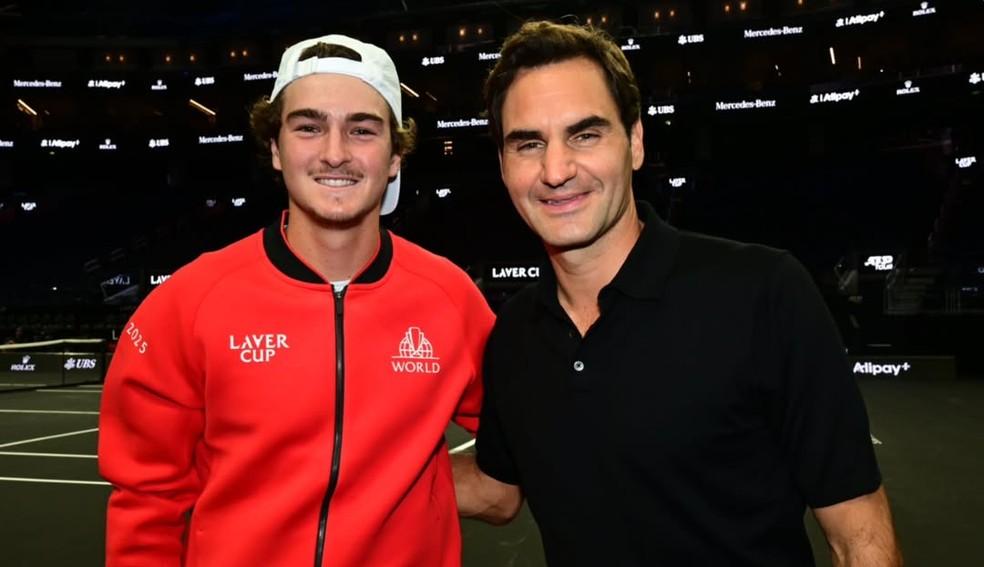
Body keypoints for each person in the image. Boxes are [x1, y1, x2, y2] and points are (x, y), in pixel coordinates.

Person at [453, 21, 902, 566]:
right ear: (503, 165)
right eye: (528, 144)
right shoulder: (515, 336)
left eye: (585, 134)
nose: (555, 170)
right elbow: (496, 493)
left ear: (636, 142)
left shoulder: (762, 292)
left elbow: (860, 537)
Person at [98, 34, 494, 567]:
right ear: (276, 149)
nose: (335, 152)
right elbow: (146, 507)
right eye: (309, 127)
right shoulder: (188, 303)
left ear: (396, 156)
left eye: (363, 130)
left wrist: (422, 491)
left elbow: (519, 454)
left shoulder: (451, 299)